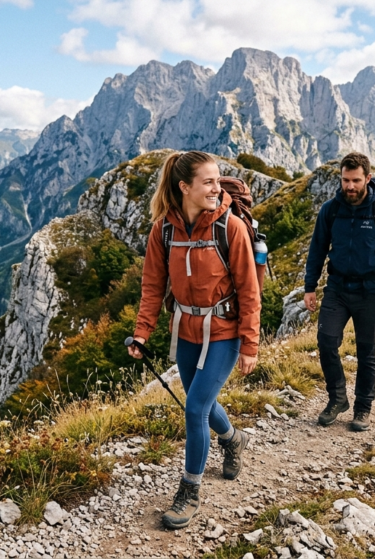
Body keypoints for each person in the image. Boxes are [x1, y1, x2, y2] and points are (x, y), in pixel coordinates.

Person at [128, 150, 261, 530]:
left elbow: (249, 291)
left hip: (224, 332)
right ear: (184, 187)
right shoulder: (163, 231)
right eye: (208, 182)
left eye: (219, 181)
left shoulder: (229, 228)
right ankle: (234, 439)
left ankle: (189, 491)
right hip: (184, 330)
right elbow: (152, 287)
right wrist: (142, 333)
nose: (217, 188)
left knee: (194, 409)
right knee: (200, 404)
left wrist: (250, 344)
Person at [303, 152, 375, 432]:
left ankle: (363, 408)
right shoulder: (331, 209)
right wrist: (309, 287)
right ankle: (337, 399)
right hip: (337, 288)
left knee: (366, 352)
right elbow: (317, 249)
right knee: (326, 342)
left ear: (367, 179)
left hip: (371, 291)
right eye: (345, 180)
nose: (350, 186)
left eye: (356, 180)